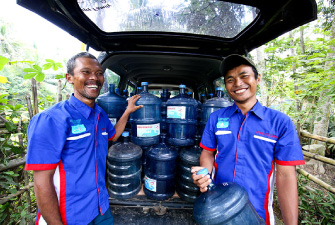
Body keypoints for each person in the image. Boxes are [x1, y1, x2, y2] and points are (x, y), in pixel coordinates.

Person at [25, 52, 143, 225]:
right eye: (86, 72)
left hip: (101, 208)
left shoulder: (100, 115)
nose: (94, 78)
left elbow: (114, 135)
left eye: (99, 73)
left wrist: (127, 111)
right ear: (70, 78)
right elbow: (42, 182)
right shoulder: (51, 120)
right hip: (69, 216)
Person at [192, 54, 305, 225]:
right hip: (219, 210)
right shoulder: (216, 118)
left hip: (257, 214)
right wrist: (205, 177)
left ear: (257, 78)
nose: (237, 84)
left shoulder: (280, 122)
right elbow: (207, 153)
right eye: (230, 80)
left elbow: (286, 176)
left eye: (244, 76)